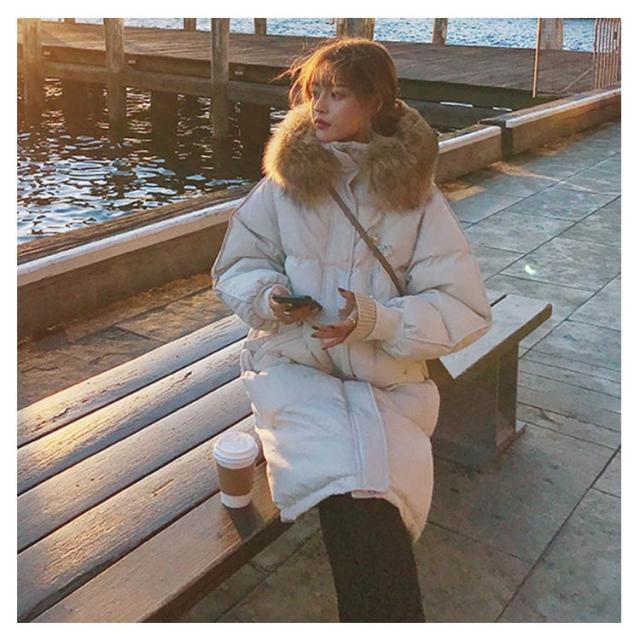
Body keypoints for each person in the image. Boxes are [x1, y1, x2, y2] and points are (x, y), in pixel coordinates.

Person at [211, 37, 492, 623]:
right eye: (314, 92)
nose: (319, 106)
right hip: (295, 367)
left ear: (376, 103)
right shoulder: (283, 184)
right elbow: (237, 265)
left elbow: (464, 307)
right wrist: (271, 297)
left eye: (337, 94)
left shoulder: (417, 197)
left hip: (386, 380)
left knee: (371, 493)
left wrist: (379, 320)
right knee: (353, 490)